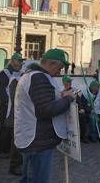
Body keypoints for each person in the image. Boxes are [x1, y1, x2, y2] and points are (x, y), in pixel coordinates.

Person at [14, 48, 76, 183]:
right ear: (52, 64)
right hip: (37, 141)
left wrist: (61, 95)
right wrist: (69, 99)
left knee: (29, 178)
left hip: (33, 138)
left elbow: (42, 101)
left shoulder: (31, 75)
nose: (60, 71)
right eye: (60, 67)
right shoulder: (39, 78)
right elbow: (46, 110)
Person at [0, 53, 23, 159]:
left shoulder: (17, 72)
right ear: (13, 61)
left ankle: (5, 149)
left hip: (12, 104)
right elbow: (2, 90)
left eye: (21, 61)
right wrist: (6, 103)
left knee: (9, 126)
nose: (21, 63)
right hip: (6, 104)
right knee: (3, 126)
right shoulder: (5, 73)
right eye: (19, 61)